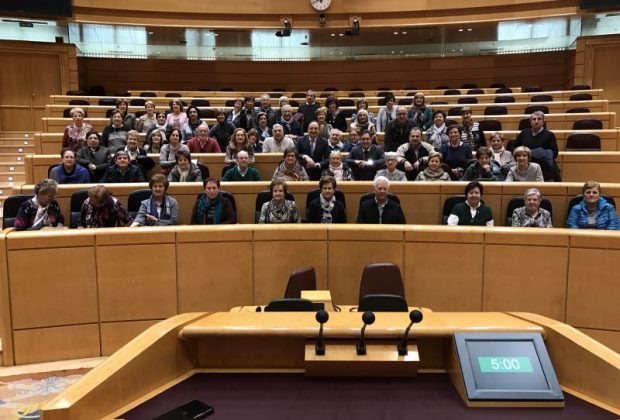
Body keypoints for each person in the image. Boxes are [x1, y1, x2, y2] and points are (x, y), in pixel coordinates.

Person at [512, 111, 561, 181]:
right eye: (534, 119)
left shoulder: (549, 135)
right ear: (530, 121)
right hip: (526, 167)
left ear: (543, 121)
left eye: (539, 119)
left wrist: (539, 153)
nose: (536, 121)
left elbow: (554, 152)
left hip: (544, 168)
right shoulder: (524, 133)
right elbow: (514, 147)